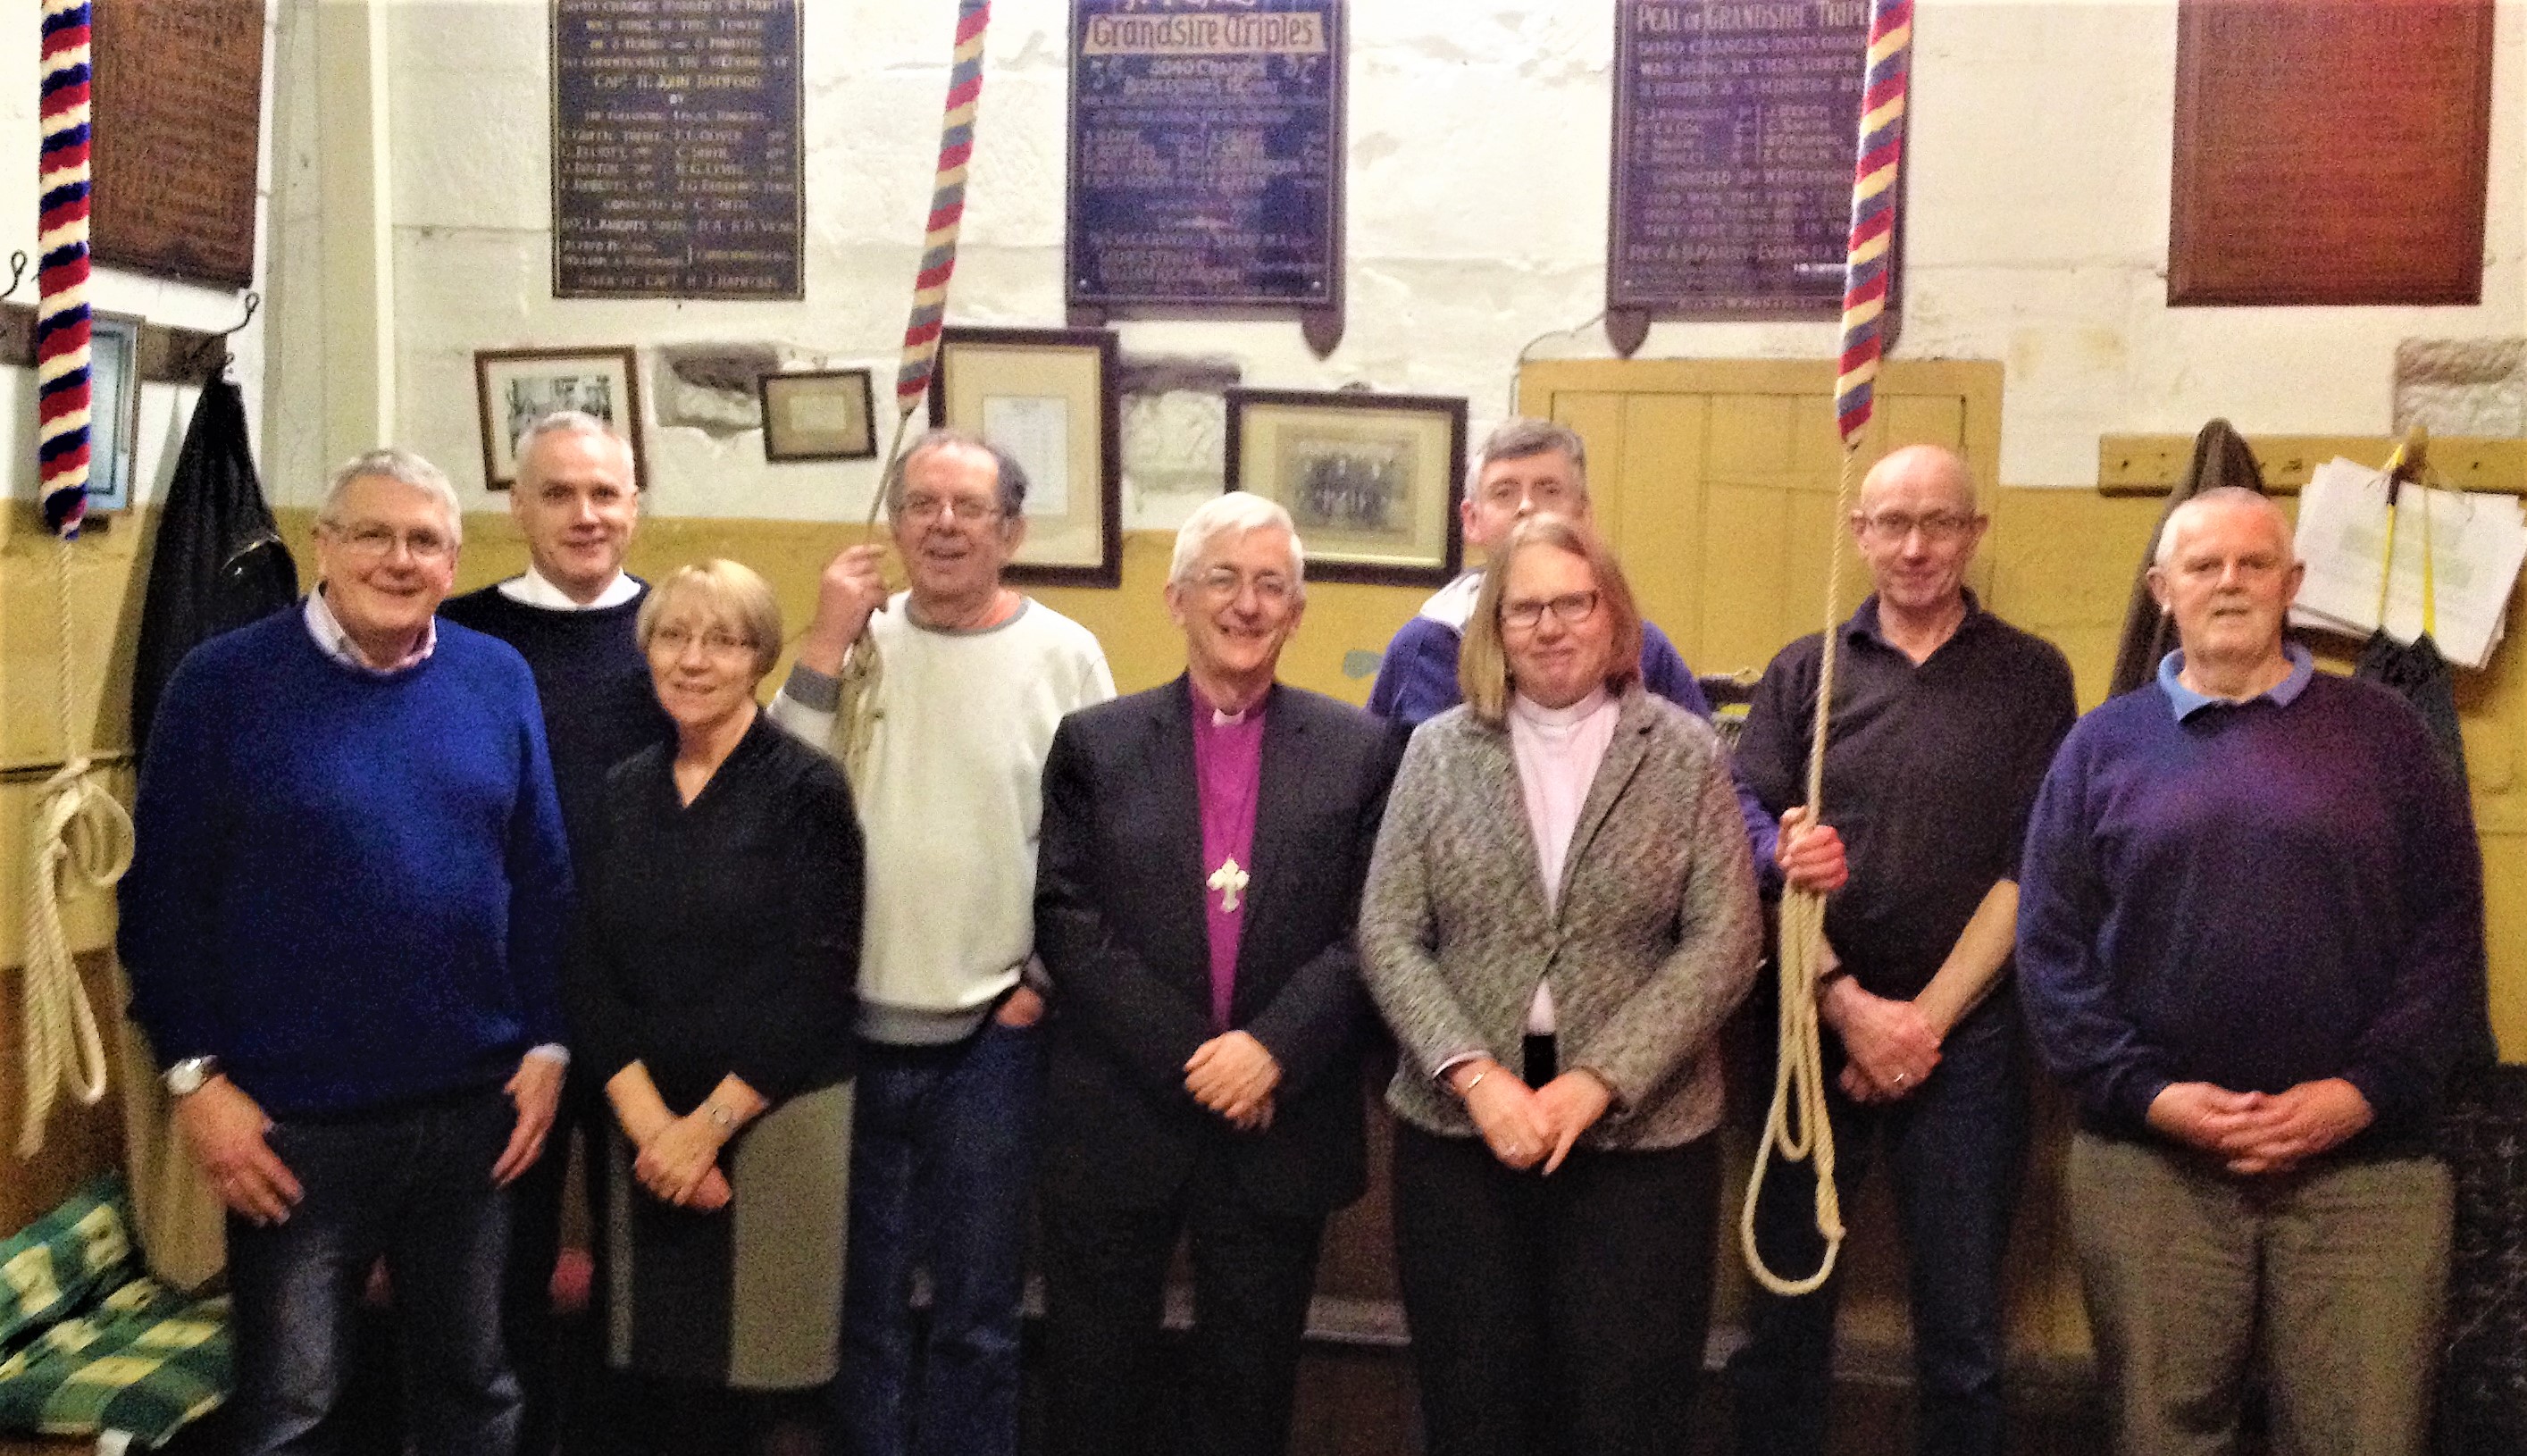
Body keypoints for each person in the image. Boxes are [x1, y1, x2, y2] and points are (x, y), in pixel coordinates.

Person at [120, 448, 573, 1456]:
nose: (398, 558)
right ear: (322, 544)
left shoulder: (496, 677)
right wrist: (196, 1081)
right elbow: (161, 901)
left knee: (477, 1387)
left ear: (453, 561)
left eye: (425, 540)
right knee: (294, 1406)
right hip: (293, 1124)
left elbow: (541, 878)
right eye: (372, 532)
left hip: (475, 1112)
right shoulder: (224, 683)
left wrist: (547, 1046)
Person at [2017, 487, 2483, 1456]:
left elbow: (2448, 937)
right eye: (2203, 565)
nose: (2229, 582)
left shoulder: (2388, 736)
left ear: (2293, 583)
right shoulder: (2101, 745)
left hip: (2365, 1170)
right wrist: (2149, 1093)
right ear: (2163, 590)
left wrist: (2359, 1093)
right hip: (2155, 1167)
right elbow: (2053, 951)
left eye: (2253, 563)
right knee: (2162, 1433)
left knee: (2366, 1436)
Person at [1359, 515, 1761, 1456]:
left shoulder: (1685, 754)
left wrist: (1599, 1078)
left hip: (1641, 1144)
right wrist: (1476, 1075)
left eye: (1572, 602)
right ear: (1493, 629)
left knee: (1624, 1414)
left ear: (1612, 616)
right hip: (1463, 1142)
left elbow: (1725, 936)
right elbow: (1387, 931)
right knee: (1475, 1407)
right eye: (1525, 607)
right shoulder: (1437, 753)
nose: (1550, 626)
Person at [766, 428, 1115, 1456]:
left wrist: (1041, 981)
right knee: (860, 1305)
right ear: (897, 521)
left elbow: (1100, 837)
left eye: (970, 508)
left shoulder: (1065, 654)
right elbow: (779, 790)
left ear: (1011, 529)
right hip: (850, 1031)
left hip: (991, 1035)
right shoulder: (859, 638)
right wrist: (824, 640)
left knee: (976, 1310)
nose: (945, 525)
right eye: (923, 504)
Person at [1727, 444, 2077, 1456]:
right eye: (1892, 522)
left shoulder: (2031, 676)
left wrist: (1921, 1023)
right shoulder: (1808, 670)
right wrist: (1846, 1003)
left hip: (1964, 1043)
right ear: (1860, 532)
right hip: (1808, 1030)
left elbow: (2033, 862)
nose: (1915, 546)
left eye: (1939, 523)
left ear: (1975, 533)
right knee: (1786, 1316)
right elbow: (1751, 822)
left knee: (1962, 1332)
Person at [1034, 494, 1400, 1456]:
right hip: (1123, 1111)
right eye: (1224, 580)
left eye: (1271, 584)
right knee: (1094, 1382)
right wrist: (1201, 1057)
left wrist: (1271, 1049)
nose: (1247, 604)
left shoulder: (1362, 751)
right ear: (1177, 599)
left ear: (1297, 611)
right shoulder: (1097, 744)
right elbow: (1068, 921)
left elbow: (1378, 926)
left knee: (1250, 1388)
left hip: (1282, 1112)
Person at [566, 561, 860, 1456]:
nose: (693, 659)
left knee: (763, 1397)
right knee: (647, 1382)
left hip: (776, 1118)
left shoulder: (807, 787)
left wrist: (709, 1129)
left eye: (722, 639)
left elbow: (818, 977)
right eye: (673, 635)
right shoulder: (622, 789)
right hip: (642, 1128)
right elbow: (590, 964)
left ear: (760, 658)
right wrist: (654, 1125)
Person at [441, 409, 674, 1456]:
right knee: (503, 1268)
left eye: (605, 493)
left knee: (650, 1277)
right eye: (559, 492)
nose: (586, 514)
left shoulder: (683, 630)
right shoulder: (456, 634)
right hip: (502, 1006)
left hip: (647, 1003)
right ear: (517, 505)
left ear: (636, 503)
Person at [1367, 418, 1714, 728]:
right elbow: (1382, 789)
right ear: (1472, 521)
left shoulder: (1639, 645)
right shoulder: (1424, 647)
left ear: (1583, 513)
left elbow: (1719, 781)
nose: (1527, 507)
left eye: (1549, 490)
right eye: (1505, 493)